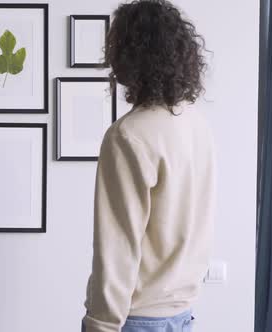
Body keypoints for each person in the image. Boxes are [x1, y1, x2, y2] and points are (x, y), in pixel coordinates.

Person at [82, 1, 215, 332]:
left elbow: (117, 246)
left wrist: (99, 324)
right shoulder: (196, 124)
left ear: (126, 57)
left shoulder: (129, 135)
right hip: (183, 315)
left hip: (137, 319)